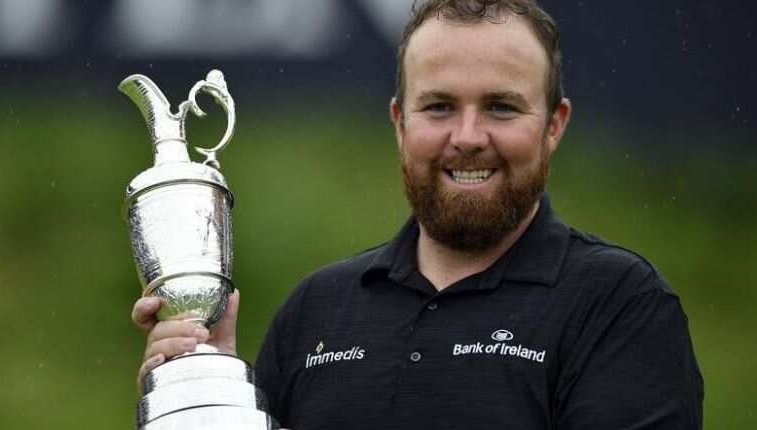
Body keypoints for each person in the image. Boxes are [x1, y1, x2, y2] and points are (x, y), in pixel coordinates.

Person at [132, 1, 704, 429]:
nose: (468, 136)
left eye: (501, 107)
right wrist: (208, 395)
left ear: (554, 125)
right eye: (439, 107)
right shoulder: (315, 314)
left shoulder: (620, 307)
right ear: (400, 122)